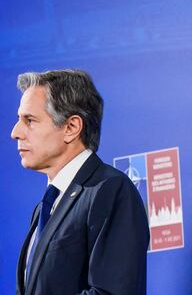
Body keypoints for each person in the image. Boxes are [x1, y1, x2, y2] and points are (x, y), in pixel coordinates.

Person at [10, 69, 149, 295]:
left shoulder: (109, 190)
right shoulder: (44, 209)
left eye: (30, 120)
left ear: (71, 127)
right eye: (19, 120)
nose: (15, 132)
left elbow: (111, 292)